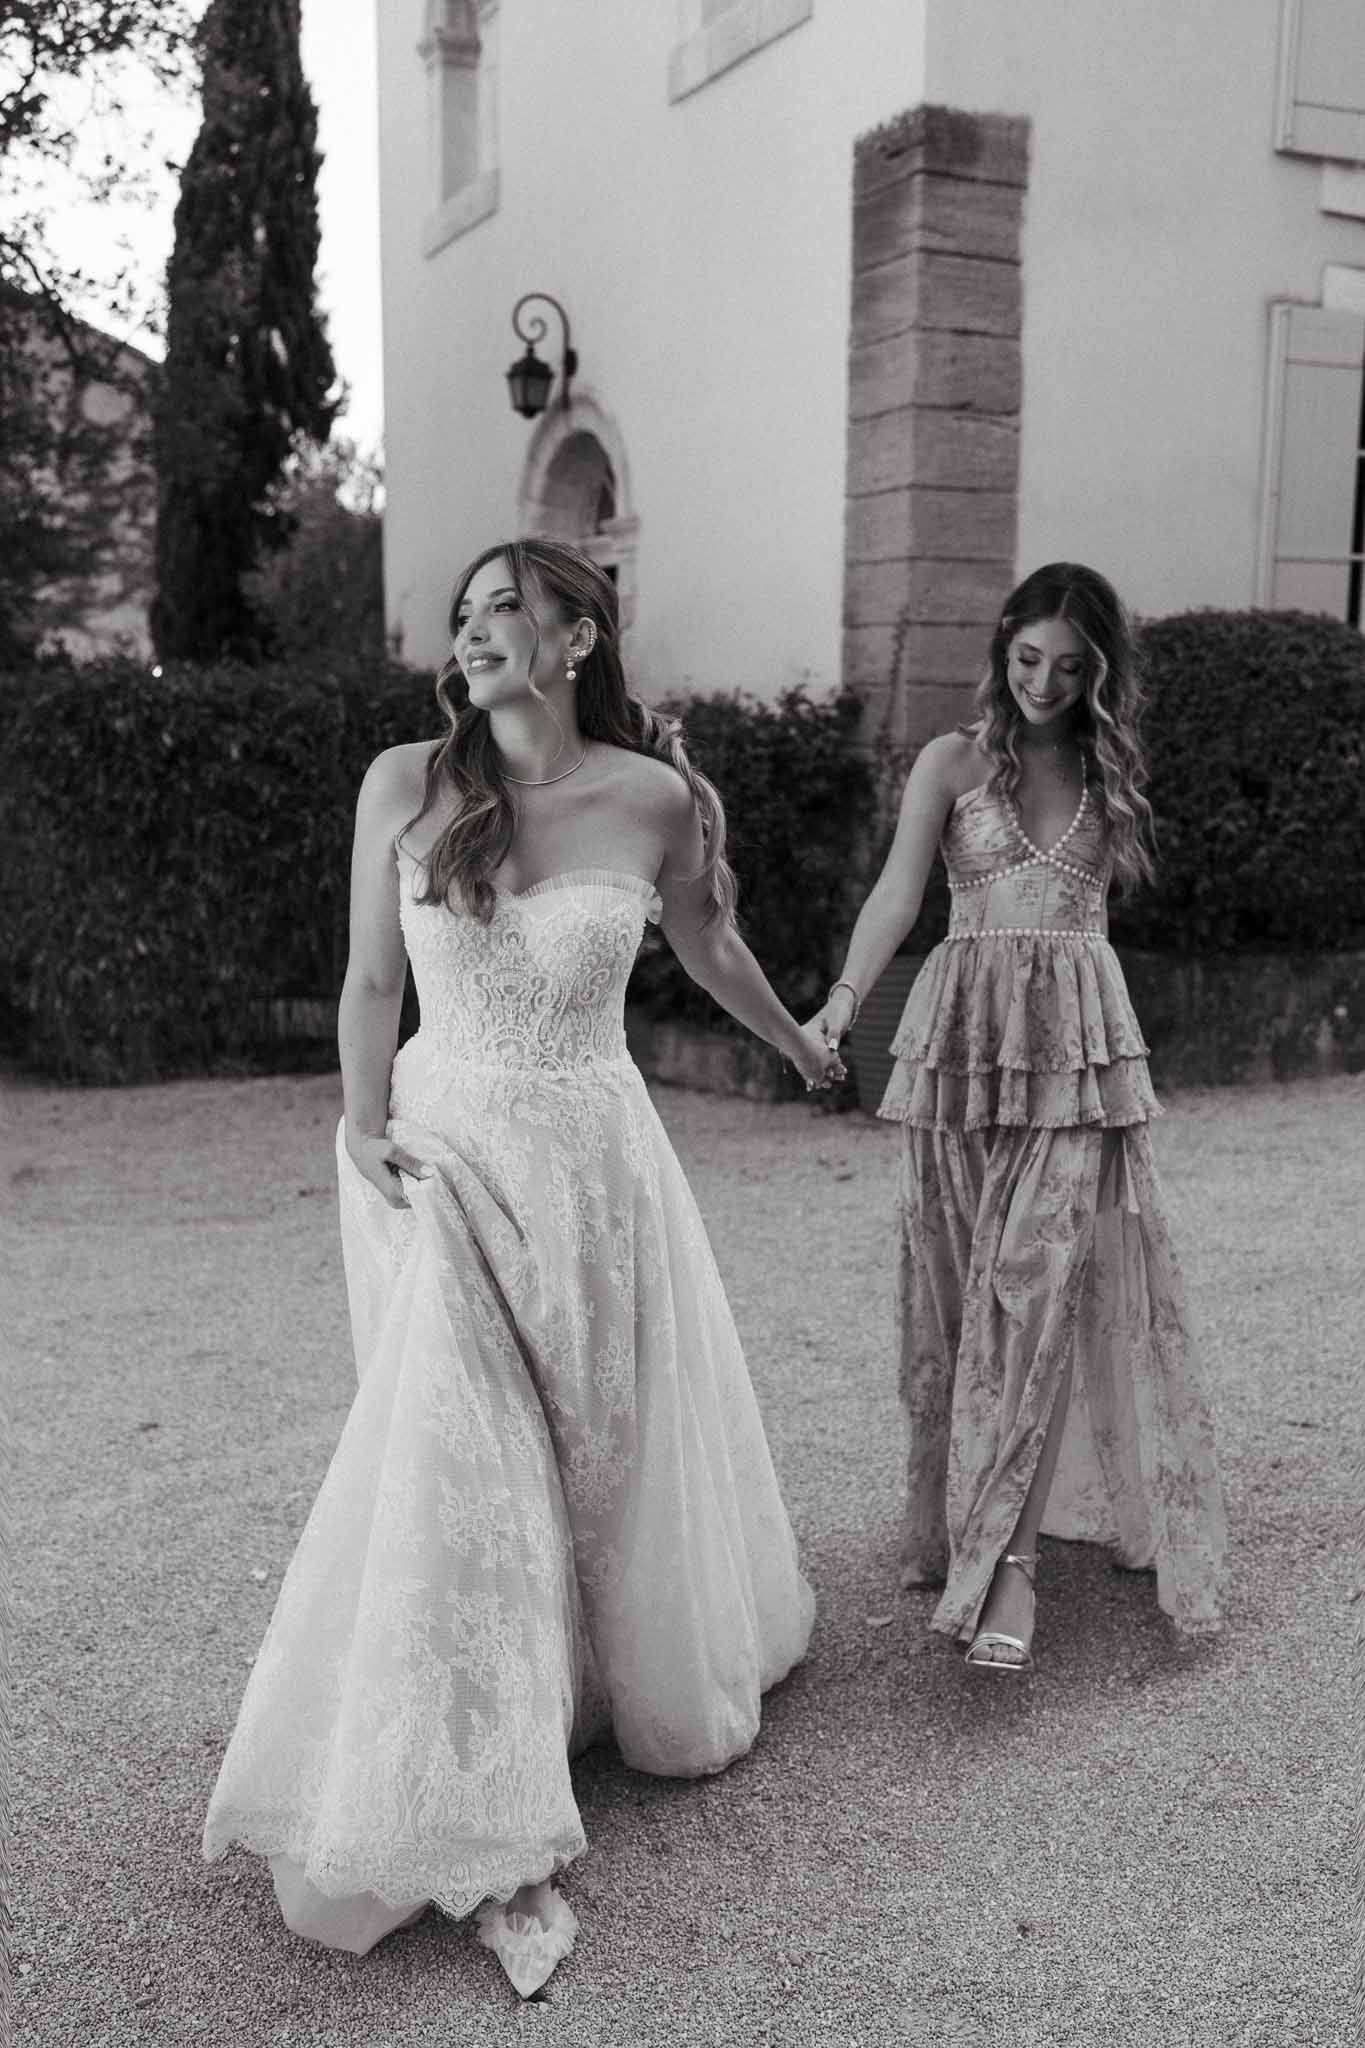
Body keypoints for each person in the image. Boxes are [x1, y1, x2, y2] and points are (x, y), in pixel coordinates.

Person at [203, 538, 840, 1994]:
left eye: (508, 607)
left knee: (594, 1447)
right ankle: (474, 1806)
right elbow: (373, 979)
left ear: (578, 635)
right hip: (442, 1158)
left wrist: (800, 1040)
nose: (477, 629)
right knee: (466, 1459)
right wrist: (363, 1124)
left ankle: (586, 1681)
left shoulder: (653, 798)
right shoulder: (403, 782)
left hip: (596, 1169)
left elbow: (710, 945)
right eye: (467, 611)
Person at [806, 562, 1225, 1673]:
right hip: (960, 1051)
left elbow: (1086, 920)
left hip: (1075, 1055)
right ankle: (964, 1515)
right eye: (1029, 657)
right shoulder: (951, 762)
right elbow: (899, 893)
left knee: (1039, 1287)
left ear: (1099, 674)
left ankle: (1014, 1563)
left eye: (1070, 667)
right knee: (962, 1295)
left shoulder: (1105, 771)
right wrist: (842, 999)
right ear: (1003, 649)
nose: (1043, 682)